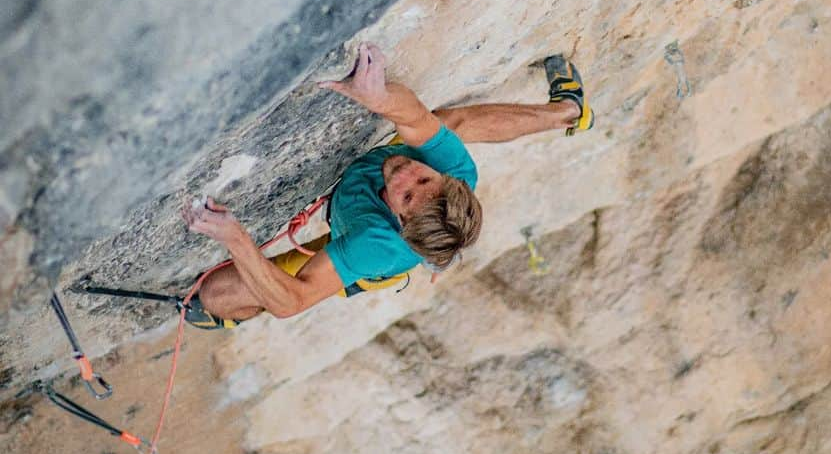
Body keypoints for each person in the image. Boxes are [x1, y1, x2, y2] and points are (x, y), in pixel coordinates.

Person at [181, 44, 593, 327]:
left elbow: (294, 301)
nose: (403, 174)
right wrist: (377, 97)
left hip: (363, 250)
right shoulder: (453, 174)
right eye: (424, 177)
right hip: (386, 216)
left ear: (399, 220)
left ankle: (236, 314)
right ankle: (568, 112)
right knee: (450, 124)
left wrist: (235, 238)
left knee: (214, 296)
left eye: (408, 195)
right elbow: (414, 116)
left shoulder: (373, 243)